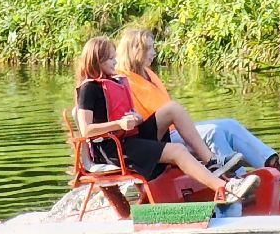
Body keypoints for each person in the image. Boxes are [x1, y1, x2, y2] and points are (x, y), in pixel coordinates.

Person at [74, 37, 258, 202]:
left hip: (129, 138)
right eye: (110, 59)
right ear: (97, 61)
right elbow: (86, 130)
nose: (116, 62)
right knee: (177, 150)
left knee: (173, 109)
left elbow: (123, 115)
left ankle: (211, 161)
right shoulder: (89, 88)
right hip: (112, 148)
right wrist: (119, 124)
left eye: (115, 57)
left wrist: (135, 118)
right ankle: (224, 187)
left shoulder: (115, 82)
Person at [115, 27, 280, 180]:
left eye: (153, 47)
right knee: (214, 131)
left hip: (174, 131)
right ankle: (236, 180)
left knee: (228, 124)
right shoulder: (123, 80)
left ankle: (271, 163)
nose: (154, 53)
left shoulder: (149, 74)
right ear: (134, 51)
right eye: (149, 49)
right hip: (158, 140)